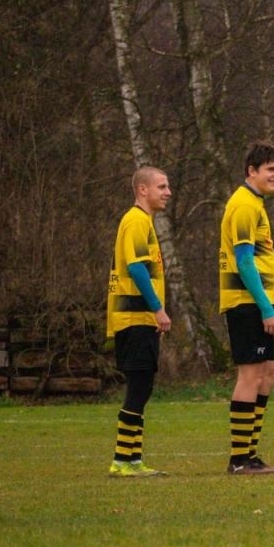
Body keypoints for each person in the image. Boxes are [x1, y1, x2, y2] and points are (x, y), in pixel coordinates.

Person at [219, 141, 274, 474]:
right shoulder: (244, 205)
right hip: (246, 303)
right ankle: (239, 459)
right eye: (270, 169)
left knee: (268, 372)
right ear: (252, 171)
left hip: (258, 301)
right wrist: (265, 308)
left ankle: (251, 452)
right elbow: (244, 262)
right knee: (250, 374)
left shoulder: (254, 203)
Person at [106, 166, 173, 476]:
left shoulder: (143, 222)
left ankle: (132, 459)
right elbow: (136, 269)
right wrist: (158, 308)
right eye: (161, 186)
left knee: (142, 386)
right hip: (135, 317)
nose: (168, 192)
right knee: (139, 385)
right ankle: (122, 460)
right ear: (143, 190)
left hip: (140, 318)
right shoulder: (135, 221)